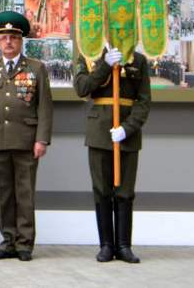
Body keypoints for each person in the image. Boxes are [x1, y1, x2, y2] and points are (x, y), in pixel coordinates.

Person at [0, 11, 53, 262]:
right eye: (3, 38)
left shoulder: (36, 68)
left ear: (21, 40)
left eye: (13, 37)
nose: (8, 42)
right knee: (3, 194)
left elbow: (44, 107)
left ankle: (24, 244)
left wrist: (42, 139)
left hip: (26, 141)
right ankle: (8, 240)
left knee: (25, 193)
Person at [73, 46, 151, 263]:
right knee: (102, 191)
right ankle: (106, 245)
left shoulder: (138, 59)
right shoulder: (89, 55)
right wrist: (105, 65)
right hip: (99, 132)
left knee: (125, 192)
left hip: (127, 133)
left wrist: (128, 127)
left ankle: (124, 245)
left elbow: (144, 101)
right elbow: (81, 88)